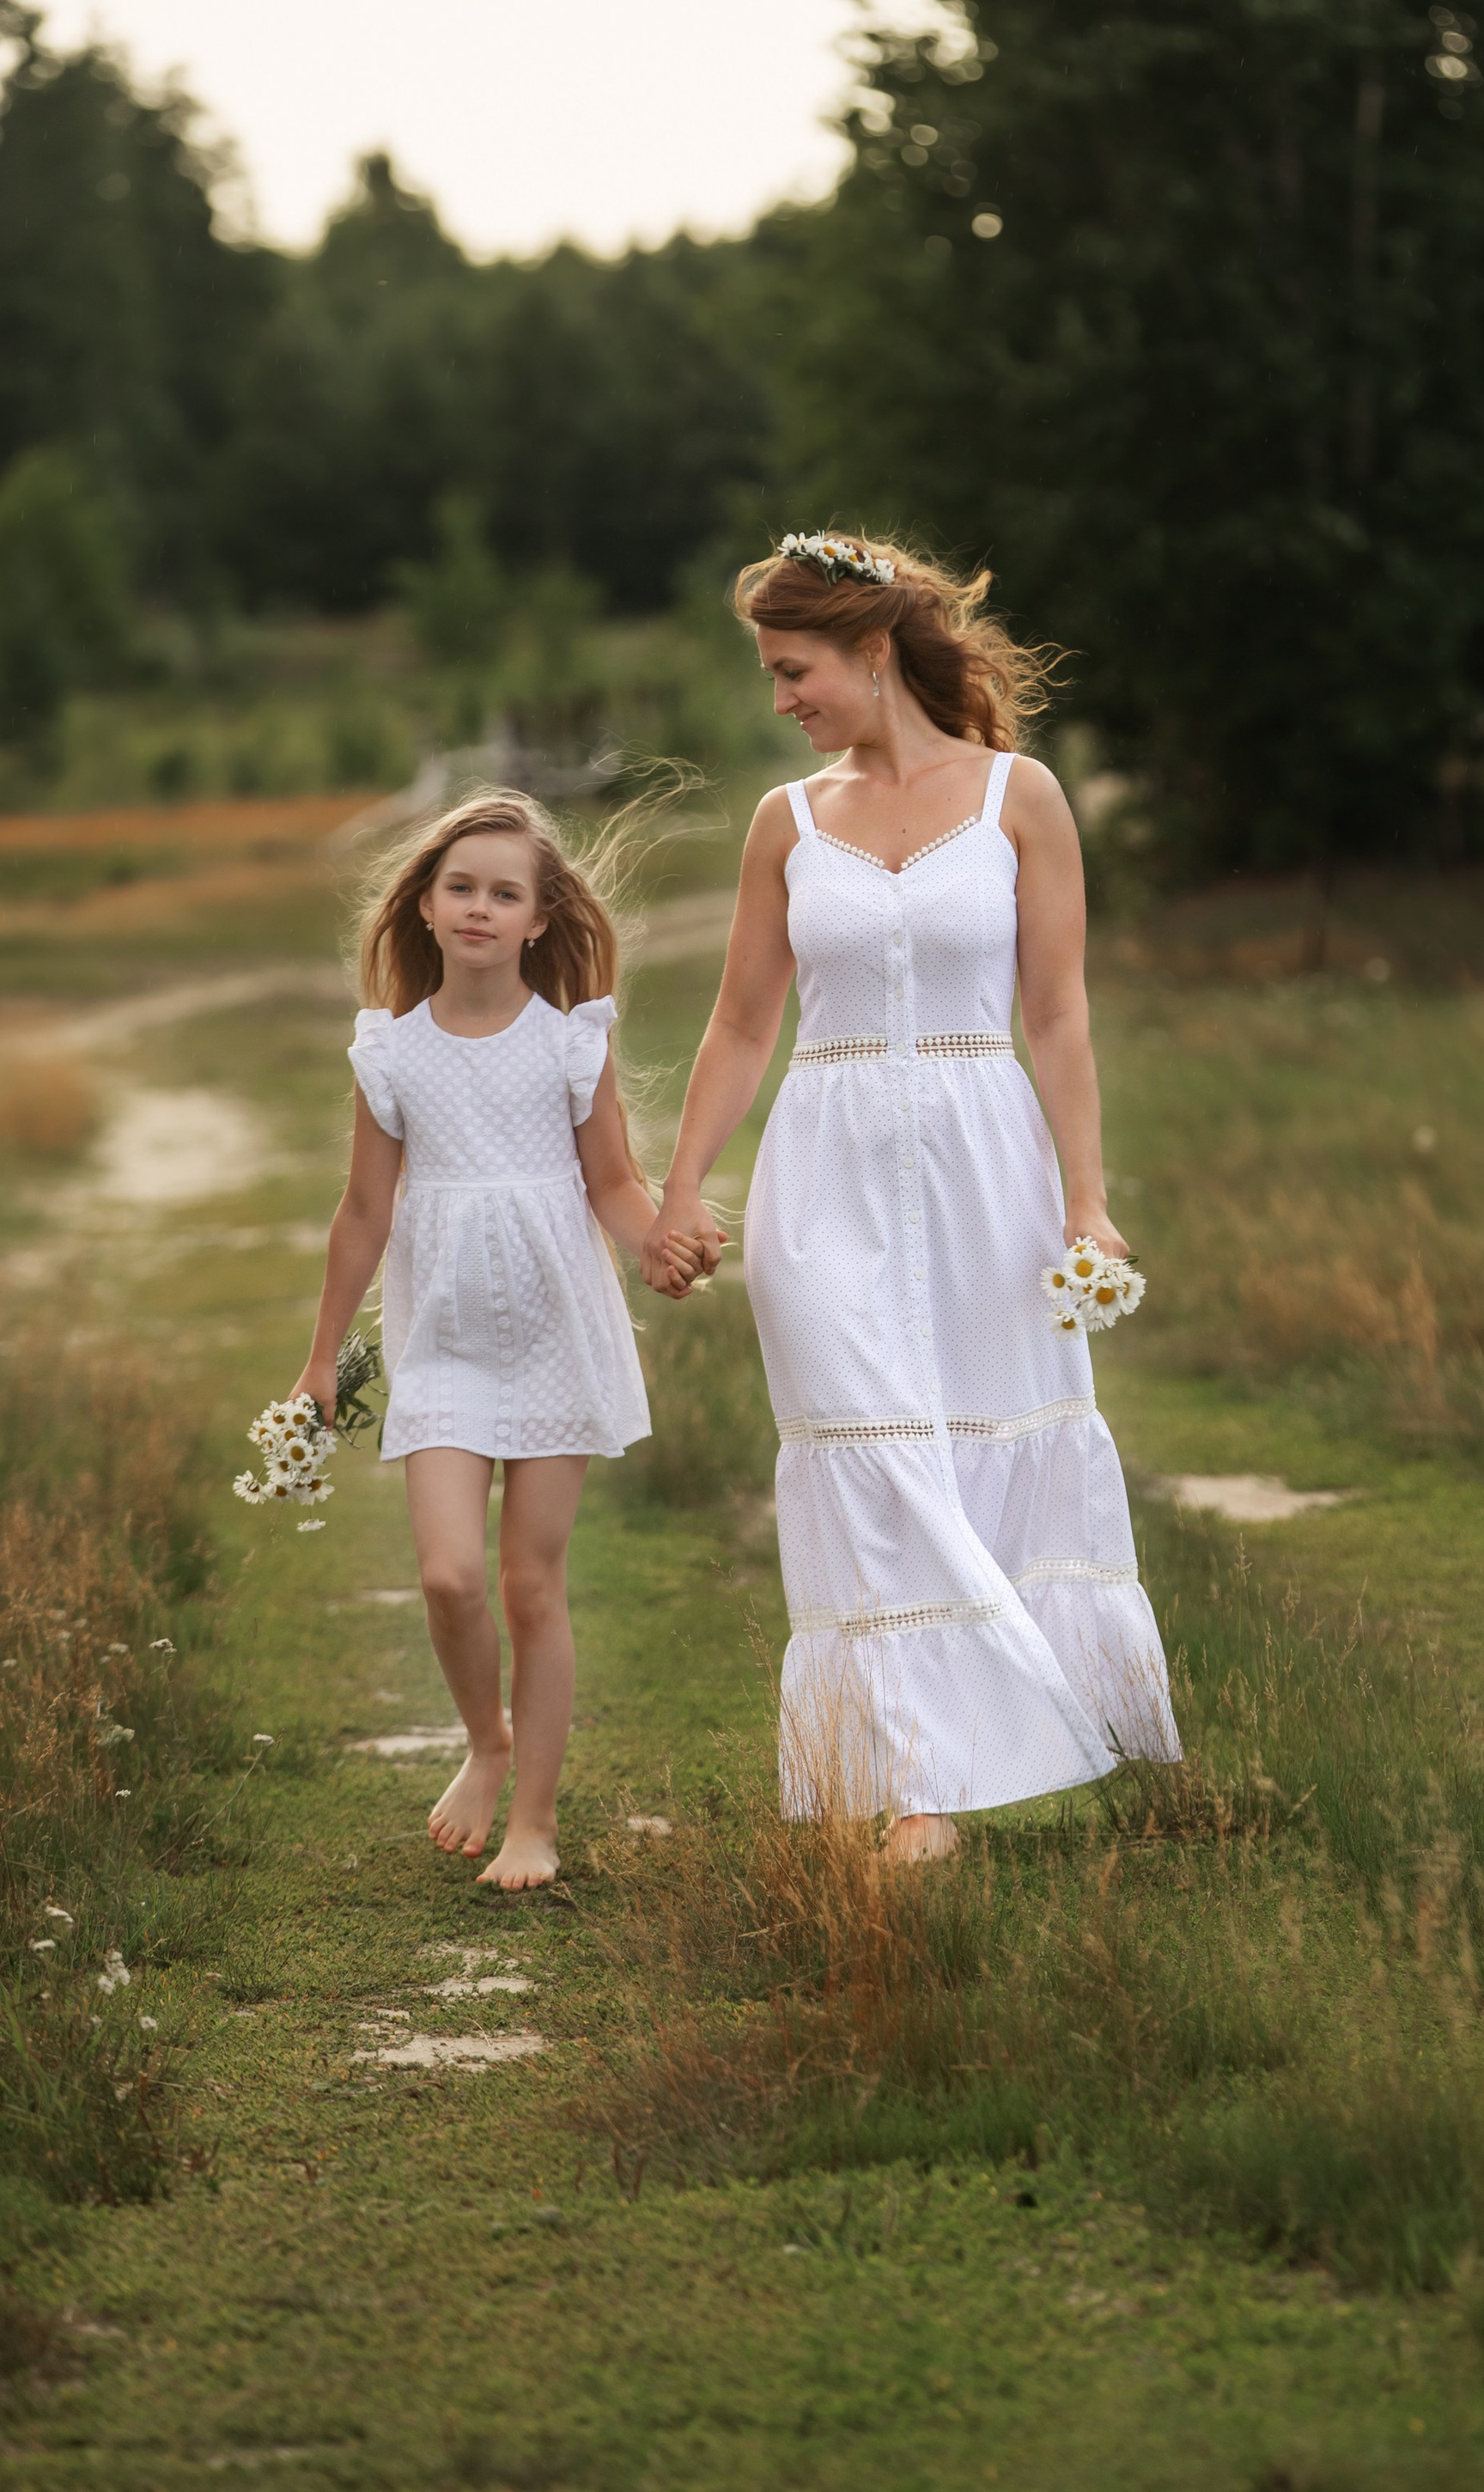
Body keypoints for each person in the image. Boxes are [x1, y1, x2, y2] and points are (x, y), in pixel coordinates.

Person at [642, 532, 1178, 1861]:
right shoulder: (787, 821)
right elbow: (742, 1025)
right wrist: (679, 1191)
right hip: (820, 1172)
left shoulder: (1020, 798)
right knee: (862, 1448)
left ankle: (1000, 1739)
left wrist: (1087, 1199)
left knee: (981, 1440)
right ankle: (919, 1789)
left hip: (985, 1162)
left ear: (871, 650)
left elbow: (1056, 1012)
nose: (782, 700)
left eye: (793, 668)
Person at [294, 790, 700, 1889]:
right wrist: (323, 1357)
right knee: (447, 1577)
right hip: (442, 1346)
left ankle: (535, 1823)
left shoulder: (572, 1043)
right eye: (460, 886)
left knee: (530, 1584)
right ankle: (487, 1739)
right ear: (424, 906)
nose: (479, 907)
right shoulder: (392, 1054)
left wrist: (659, 1245)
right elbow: (364, 1215)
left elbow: (612, 1184)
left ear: (537, 919)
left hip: (555, 1335)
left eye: (504, 893)